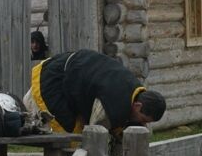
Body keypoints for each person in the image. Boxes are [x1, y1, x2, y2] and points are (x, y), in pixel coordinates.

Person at [23, 48, 166, 139]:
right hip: (54, 81)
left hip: (75, 76)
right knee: (70, 138)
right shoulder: (112, 105)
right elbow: (95, 134)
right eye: (143, 119)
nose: (141, 124)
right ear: (137, 106)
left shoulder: (134, 90)